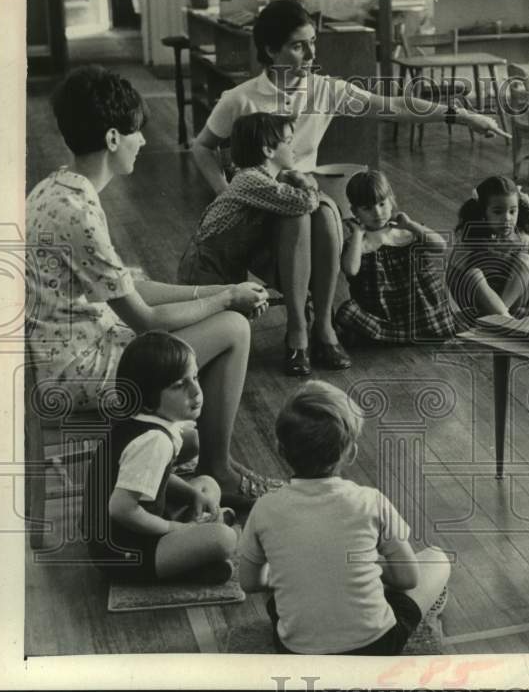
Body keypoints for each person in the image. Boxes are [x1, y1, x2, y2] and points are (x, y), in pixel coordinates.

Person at [190, 0, 507, 368]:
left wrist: (462, 115)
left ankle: (323, 327)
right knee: (307, 212)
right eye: (298, 45)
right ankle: (297, 329)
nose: (311, 53)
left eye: (312, 42)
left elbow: (395, 106)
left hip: (305, 198)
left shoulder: (324, 89)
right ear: (269, 50)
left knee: (322, 212)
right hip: (261, 210)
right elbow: (201, 147)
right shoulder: (240, 98)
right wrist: (225, 190)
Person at [25, 65, 277, 507]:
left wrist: (217, 289)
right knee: (235, 328)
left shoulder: (54, 190)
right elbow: (146, 319)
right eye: (136, 132)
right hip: (76, 370)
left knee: (221, 327)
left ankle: (197, 457)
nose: (142, 141)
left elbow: (132, 289)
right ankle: (218, 472)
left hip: (66, 351)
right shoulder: (79, 213)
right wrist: (227, 298)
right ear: (111, 139)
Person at [238, 381, 451, 655]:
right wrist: (372, 568)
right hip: (376, 645)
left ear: (281, 450)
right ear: (350, 452)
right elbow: (408, 577)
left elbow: (250, 582)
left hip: (297, 653)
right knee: (437, 558)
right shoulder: (370, 501)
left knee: (281, 585)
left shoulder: (264, 508)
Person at [179, 112, 335, 376]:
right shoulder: (251, 179)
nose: (294, 147)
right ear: (268, 150)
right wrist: (307, 180)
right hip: (205, 268)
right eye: (288, 141)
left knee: (322, 212)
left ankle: (314, 322)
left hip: (225, 260)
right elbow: (305, 202)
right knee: (215, 337)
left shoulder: (260, 178)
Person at [82, 332, 238, 584]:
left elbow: (154, 478)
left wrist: (191, 495)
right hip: (123, 553)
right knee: (225, 539)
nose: (196, 391)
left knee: (207, 485)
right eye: (179, 385)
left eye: (195, 377)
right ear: (149, 398)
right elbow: (121, 508)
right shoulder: (154, 442)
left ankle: (193, 544)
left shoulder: (141, 421)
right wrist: (173, 529)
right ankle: (188, 566)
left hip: (129, 530)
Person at [337, 170, 457, 344]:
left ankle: (388, 337)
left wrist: (411, 225)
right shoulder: (359, 243)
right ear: (355, 212)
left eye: (382, 204)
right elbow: (350, 269)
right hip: (383, 314)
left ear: (391, 200)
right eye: (367, 208)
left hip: (419, 308)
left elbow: (440, 246)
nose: (377, 213)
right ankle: (394, 335)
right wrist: (357, 234)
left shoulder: (405, 231)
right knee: (347, 311)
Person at [448, 176, 529, 323]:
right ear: (483, 212)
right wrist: (464, 307)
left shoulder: (521, 239)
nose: (507, 218)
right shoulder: (470, 239)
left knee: (526, 260)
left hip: (514, 303)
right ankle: (502, 318)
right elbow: (452, 276)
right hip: (481, 303)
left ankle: (500, 317)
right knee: (472, 274)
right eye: (498, 212)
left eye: (512, 212)